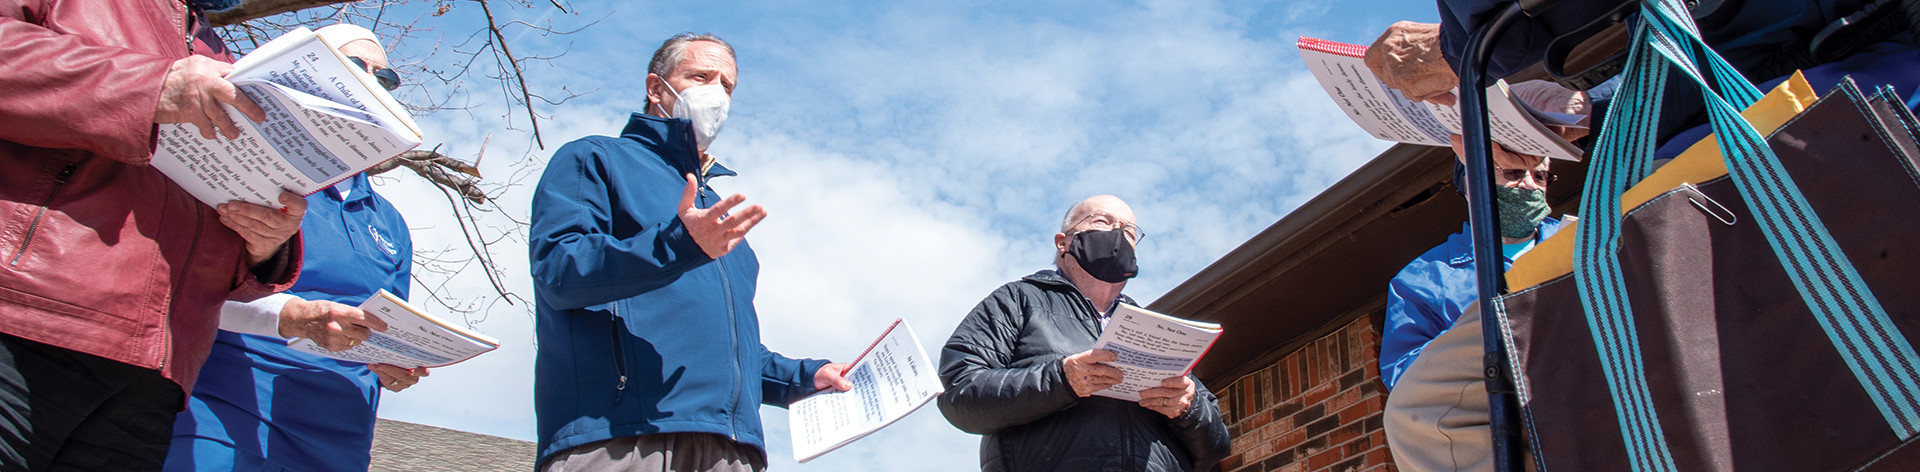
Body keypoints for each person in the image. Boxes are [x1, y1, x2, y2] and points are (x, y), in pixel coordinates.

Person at [0, 1, 354, 470]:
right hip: (30, 318)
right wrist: (150, 85)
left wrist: (266, 243)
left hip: (158, 373)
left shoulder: (223, 58)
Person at [527, 32, 853, 472]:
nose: (716, 93)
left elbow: (729, 351)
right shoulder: (595, 159)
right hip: (621, 436)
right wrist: (677, 244)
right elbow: (559, 271)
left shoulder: (720, 223)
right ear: (656, 87)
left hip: (731, 448)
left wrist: (802, 377)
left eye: (727, 85)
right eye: (700, 76)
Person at [162, 24, 427, 472]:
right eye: (353, 66)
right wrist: (299, 319)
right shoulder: (242, 164)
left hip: (339, 439)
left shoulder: (390, 224)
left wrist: (399, 362)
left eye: (384, 78)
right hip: (223, 413)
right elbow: (183, 287)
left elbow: (387, 326)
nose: (371, 81)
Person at [1378, 80, 1586, 472]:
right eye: (1512, 172)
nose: (1529, 185)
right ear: (1470, 182)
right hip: (1500, 427)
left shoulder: (1579, 238)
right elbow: (1412, 384)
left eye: (1540, 177)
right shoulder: (1422, 279)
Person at [937, 195, 1231, 472]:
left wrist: (1188, 408)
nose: (1117, 233)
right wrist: (1062, 379)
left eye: (1129, 231)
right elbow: (960, 395)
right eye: (1102, 221)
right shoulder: (1017, 300)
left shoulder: (1157, 331)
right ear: (1063, 242)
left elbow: (1216, 447)